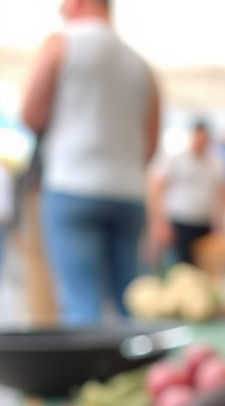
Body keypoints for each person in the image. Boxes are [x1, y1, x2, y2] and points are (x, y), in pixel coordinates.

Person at [20, 0, 160, 325]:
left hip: (72, 187)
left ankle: (89, 377)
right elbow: (150, 146)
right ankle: (140, 374)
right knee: (133, 303)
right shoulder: (141, 65)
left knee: (82, 303)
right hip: (128, 193)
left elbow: (31, 113)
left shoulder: (61, 44)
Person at [150, 120, 225, 266]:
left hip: (205, 223)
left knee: (203, 265)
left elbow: (222, 194)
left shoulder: (216, 163)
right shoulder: (176, 159)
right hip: (180, 221)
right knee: (181, 266)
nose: (200, 142)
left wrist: (221, 223)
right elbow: (158, 187)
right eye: (198, 137)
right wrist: (160, 222)